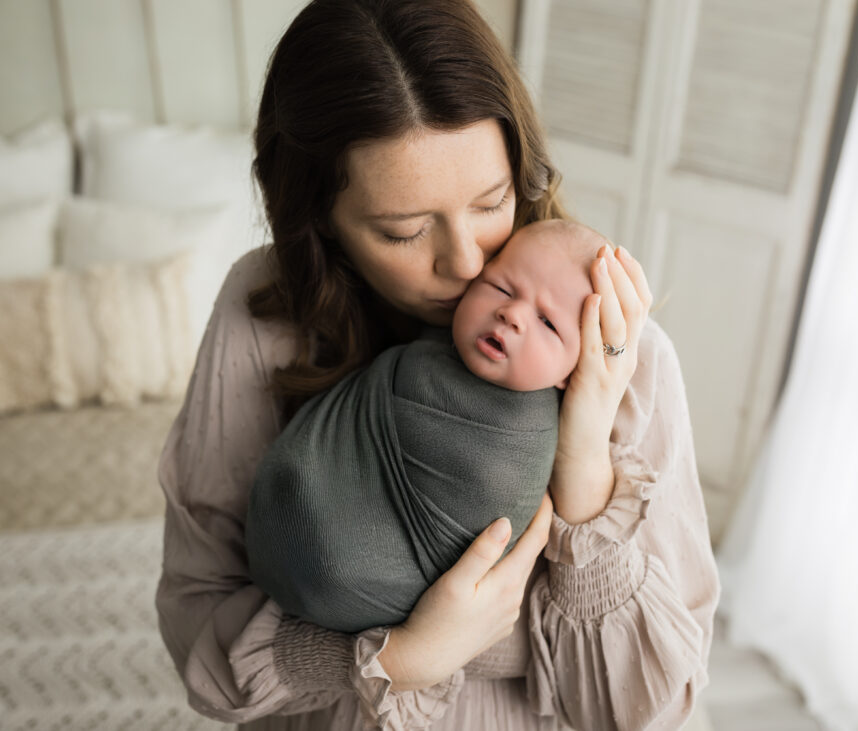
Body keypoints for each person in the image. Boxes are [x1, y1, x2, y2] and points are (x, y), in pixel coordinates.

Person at [156, 0, 720, 731]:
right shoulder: (266, 313)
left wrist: (585, 463)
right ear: (318, 219)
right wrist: (397, 659)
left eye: (492, 204)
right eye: (403, 230)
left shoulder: (617, 348)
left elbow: (645, 712)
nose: (465, 260)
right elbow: (201, 634)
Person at [245, 220, 606, 635]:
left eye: (548, 323)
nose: (513, 314)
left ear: (574, 369)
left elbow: (490, 503)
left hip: (357, 581)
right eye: (502, 288)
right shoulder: (438, 340)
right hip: (287, 500)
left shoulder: (527, 436)